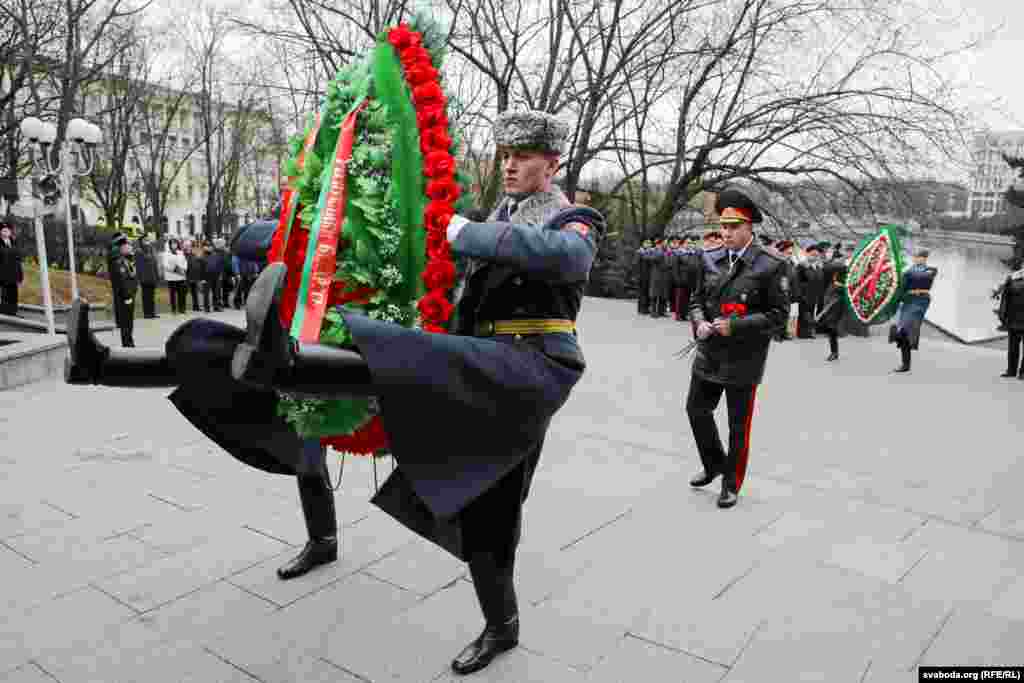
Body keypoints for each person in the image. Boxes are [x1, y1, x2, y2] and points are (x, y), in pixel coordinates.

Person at [64, 108, 604, 676]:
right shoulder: (499, 215)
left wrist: (466, 233)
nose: (511, 164)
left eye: (524, 155)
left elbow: (570, 258)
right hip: (477, 364)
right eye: (506, 154)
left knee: (485, 500)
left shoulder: (572, 218)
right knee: (301, 372)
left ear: (553, 162)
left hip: (531, 368)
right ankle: (105, 364)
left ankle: (503, 627)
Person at [686, 188, 788, 509]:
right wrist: (699, 321)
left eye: (733, 228)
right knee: (696, 410)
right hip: (709, 353)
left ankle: (731, 482)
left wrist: (737, 325)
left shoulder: (771, 265)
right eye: (723, 227)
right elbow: (695, 300)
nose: (726, 233)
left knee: (737, 425)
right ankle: (714, 463)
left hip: (744, 359)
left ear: (749, 229)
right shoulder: (710, 258)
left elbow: (779, 316)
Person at [890, 248, 937, 373]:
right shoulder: (909, 271)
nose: (915, 258)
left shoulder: (930, 270)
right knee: (901, 334)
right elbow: (901, 287)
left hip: (921, 302)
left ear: (924, 258)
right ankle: (906, 365)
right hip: (908, 301)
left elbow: (921, 276)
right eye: (915, 256)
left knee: (906, 328)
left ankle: (906, 364)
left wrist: (903, 274)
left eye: (918, 257)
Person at [816, 256, 849, 361]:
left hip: (841, 301)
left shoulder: (844, 272)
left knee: (833, 325)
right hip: (832, 300)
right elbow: (828, 268)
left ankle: (834, 352)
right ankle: (834, 352)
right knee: (831, 326)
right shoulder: (833, 272)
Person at [109, 234, 138, 347]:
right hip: (124, 296)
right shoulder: (118, 262)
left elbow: (132, 276)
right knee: (126, 322)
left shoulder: (126, 259)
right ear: (121, 248)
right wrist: (127, 297)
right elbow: (122, 281)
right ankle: (127, 343)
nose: (130, 248)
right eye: (128, 246)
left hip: (130, 294)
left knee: (129, 322)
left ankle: (129, 341)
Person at [997, 259, 1024, 379]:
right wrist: (1003, 316)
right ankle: (1012, 371)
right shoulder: (1012, 278)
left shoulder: (1012, 279)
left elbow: (1005, 298)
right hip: (1014, 317)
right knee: (1013, 347)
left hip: (1015, 318)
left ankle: (1021, 372)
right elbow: (1005, 299)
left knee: (1013, 346)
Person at [795, 243, 824, 338]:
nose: (815, 257)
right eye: (812, 254)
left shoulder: (818, 267)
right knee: (804, 314)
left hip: (814, 295)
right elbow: (797, 281)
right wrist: (800, 294)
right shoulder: (802, 266)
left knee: (811, 313)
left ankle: (809, 331)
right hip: (804, 294)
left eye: (816, 255)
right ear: (807, 254)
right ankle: (803, 333)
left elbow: (819, 280)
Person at [135, 233, 161, 319]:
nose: (147, 241)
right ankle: (147, 313)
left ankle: (152, 312)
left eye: (148, 240)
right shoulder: (139, 251)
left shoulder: (152, 249)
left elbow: (155, 263)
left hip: (152, 276)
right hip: (145, 277)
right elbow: (139, 266)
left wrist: (157, 276)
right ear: (141, 241)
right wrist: (139, 278)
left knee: (152, 296)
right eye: (145, 240)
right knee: (146, 296)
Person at [0, 223, 23, 316]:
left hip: (14, 273)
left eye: (8, 229)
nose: (6, 231)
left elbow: (18, 258)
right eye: (3, 230)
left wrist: (20, 274)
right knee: (5, 293)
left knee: (13, 293)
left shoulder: (14, 242)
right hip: (3, 273)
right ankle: (5, 312)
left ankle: (13, 311)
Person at [162, 238, 188, 314]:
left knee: (181, 294)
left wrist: (184, 269)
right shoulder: (166, 253)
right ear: (170, 245)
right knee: (172, 294)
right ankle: (174, 309)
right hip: (172, 277)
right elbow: (165, 265)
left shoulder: (181, 252)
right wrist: (177, 270)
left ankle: (182, 309)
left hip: (181, 277)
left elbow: (185, 262)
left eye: (175, 243)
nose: (174, 245)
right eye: (172, 243)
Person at [635, 239, 654, 314]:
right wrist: (638, 275)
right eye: (647, 243)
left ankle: (646, 308)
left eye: (650, 243)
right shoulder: (640, 252)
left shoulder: (650, 252)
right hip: (642, 276)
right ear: (643, 244)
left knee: (647, 292)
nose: (649, 244)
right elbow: (636, 264)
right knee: (642, 293)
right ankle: (641, 309)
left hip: (649, 276)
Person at [185, 241, 204, 312]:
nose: (189, 248)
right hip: (187, 277)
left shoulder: (195, 256)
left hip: (195, 277)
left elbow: (199, 265)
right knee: (185, 291)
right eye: (187, 246)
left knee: (195, 292)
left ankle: (196, 306)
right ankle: (183, 307)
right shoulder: (185, 255)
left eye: (190, 246)